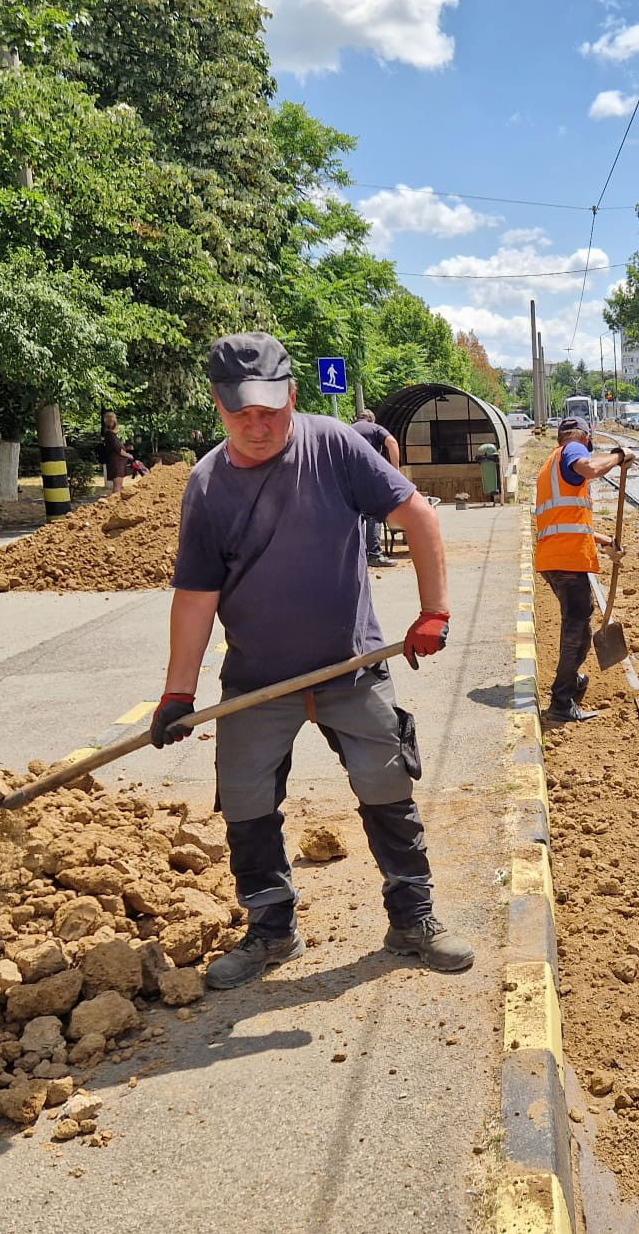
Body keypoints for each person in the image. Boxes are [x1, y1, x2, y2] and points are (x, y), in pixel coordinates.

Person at [151, 331, 472, 988]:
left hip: (350, 667)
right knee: (244, 803)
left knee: (388, 789)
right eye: (241, 412)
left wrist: (432, 610)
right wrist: (178, 695)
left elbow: (419, 516)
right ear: (218, 405)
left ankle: (412, 918)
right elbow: (195, 597)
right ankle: (271, 933)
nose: (258, 424)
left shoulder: (334, 444)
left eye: (271, 409)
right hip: (257, 681)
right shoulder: (207, 486)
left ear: (292, 395)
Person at [535, 417, 628, 723]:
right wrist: (619, 456)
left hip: (555, 556)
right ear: (585, 439)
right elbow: (592, 469)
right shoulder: (574, 449)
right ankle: (562, 700)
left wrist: (604, 541)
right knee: (576, 630)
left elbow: (567, 523)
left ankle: (571, 683)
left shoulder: (552, 463)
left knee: (578, 623)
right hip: (567, 559)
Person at [352, 409, 402, 568]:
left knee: (354, 516)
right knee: (374, 515)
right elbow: (392, 443)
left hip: (347, 478)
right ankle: (374, 555)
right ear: (371, 420)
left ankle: (356, 556)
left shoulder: (346, 429)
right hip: (368, 476)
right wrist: (396, 470)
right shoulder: (375, 428)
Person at [99, 410, 135, 495]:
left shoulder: (112, 435)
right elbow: (118, 450)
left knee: (118, 486)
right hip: (116, 464)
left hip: (118, 464)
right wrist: (129, 455)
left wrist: (126, 448)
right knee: (117, 488)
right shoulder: (110, 435)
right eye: (115, 420)